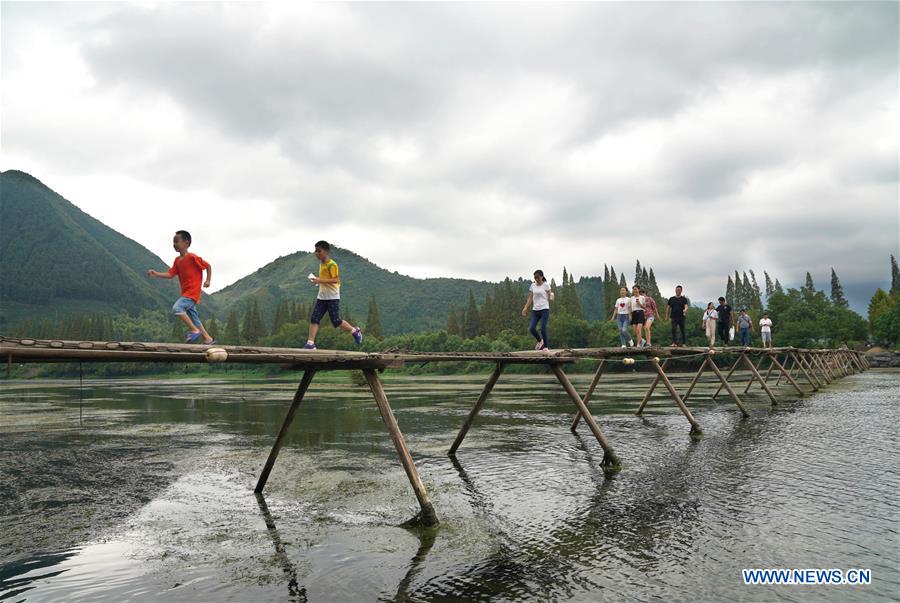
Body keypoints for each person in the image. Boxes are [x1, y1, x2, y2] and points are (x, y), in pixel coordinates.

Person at [147, 230, 215, 344]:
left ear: (186, 243)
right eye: (173, 242)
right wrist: (156, 274)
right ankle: (208, 338)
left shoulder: (192, 257)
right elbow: (170, 274)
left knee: (177, 308)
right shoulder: (177, 261)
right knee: (194, 318)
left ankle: (194, 330)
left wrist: (208, 280)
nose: (174, 244)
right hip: (186, 293)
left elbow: (208, 266)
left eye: (176, 241)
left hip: (192, 293)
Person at [305, 241, 362, 350]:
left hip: (332, 297)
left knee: (336, 321)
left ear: (326, 251)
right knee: (314, 318)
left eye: (319, 251)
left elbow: (336, 280)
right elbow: (325, 279)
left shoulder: (332, 264)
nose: (316, 253)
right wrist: (318, 281)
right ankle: (310, 343)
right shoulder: (321, 264)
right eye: (315, 251)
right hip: (322, 296)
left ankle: (354, 331)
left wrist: (319, 280)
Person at [522, 269, 553, 351]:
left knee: (543, 328)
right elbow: (530, 297)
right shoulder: (533, 285)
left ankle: (546, 347)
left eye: (538, 278)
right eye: (535, 278)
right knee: (531, 328)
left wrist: (551, 296)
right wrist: (525, 307)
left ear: (542, 277)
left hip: (544, 309)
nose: (536, 279)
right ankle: (540, 341)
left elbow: (550, 294)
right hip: (535, 310)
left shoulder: (546, 285)